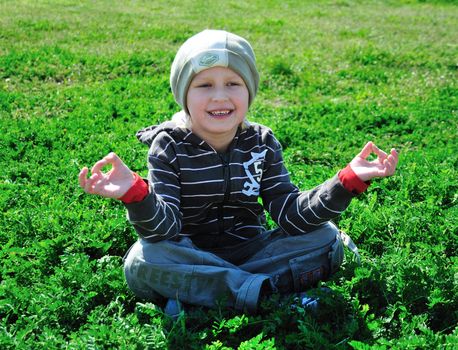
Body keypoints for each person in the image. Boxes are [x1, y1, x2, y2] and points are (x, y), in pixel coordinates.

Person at [78, 29, 398, 316]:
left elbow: (289, 214)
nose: (220, 95)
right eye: (204, 85)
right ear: (184, 96)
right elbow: (165, 229)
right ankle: (267, 294)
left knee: (324, 235)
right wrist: (136, 194)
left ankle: (203, 296)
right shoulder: (169, 145)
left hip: (252, 250)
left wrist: (346, 182)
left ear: (249, 92)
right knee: (141, 260)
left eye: (233, 83)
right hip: (189, 253)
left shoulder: (261, 141)